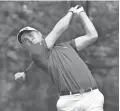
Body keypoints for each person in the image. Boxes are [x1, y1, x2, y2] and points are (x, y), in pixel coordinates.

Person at [15, 5, 104, 111]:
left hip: (92, 97)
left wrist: (82, 13)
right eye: (25, 40)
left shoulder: (67, 45)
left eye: (30, 34)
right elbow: (59, 29)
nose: (29, 39)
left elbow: (92, 36)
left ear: (39, 34)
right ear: (26, 47)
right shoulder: (36, 54)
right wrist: (71, 12)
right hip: (69, 102)